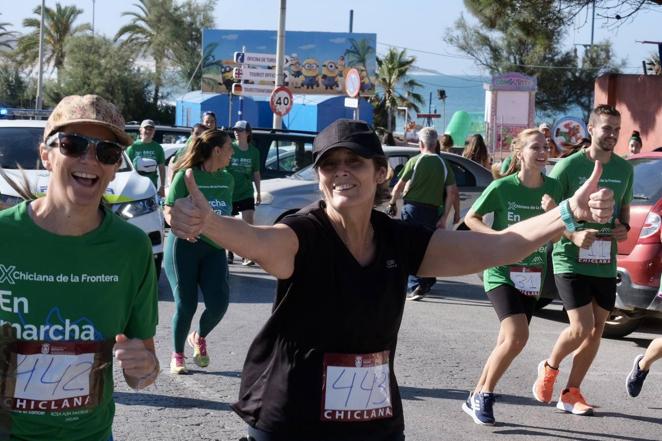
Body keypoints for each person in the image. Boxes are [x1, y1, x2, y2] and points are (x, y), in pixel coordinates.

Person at [168, 118, 614, 441]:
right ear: (320, 178)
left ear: (380, 173)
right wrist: (210, 224)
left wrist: (567, 213)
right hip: (291, 418)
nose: (342, 171)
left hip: (372, 417)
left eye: (355, 162)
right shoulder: (303, 232)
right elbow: (258, 240)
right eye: (330, 164)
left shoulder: (399, 240)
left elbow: (499, 246)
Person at [0, 94, 159, 440]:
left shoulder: (131, 248)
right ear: (46, 154)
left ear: (116, 165)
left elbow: (143, 369)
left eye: (106, 152)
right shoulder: (4, 236)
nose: (90, 160)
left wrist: (144, 368)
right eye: (73, 144)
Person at [532, 104, 633, 416]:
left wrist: (622, 228)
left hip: (604, 260)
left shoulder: (624, 169)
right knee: (581, 327)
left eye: (616, 129)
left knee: (596, 329)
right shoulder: (568, 167)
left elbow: (624, 215)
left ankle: (571, 392)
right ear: (591, 129)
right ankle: (549, 368)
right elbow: (548, 213)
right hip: (570, 259)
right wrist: (573, 233)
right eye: (606, 128)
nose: (612, 135)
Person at [462, 128, 562, 425]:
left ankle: (475, 394)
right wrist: (498, 238)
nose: (543, 152)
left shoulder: (555, 188)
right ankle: (485, 395)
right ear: (520, 153)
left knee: (509, 340)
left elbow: (564, 228)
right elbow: (471, 218)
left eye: (546, 147)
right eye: (536, 147)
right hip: (501, 271)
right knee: (518, 336)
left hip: (532, 274)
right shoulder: (503, 187)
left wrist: (555, 212)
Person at [163, 129, 234, 374]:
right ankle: (177, 354)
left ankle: (199, 337)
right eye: (229, 148)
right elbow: (168, 210)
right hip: (184, 246)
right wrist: (178, 224)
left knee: (219, 304)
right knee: (186, 304)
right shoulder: (186, 176)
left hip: (214, 249)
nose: (232, 153)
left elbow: (225, 216)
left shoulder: (228, 179)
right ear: (217, 150)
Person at [388, 127, 459, 301]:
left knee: (409, 246)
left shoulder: (415, 161)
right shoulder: (444, 164)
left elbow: (398, 186)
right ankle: (427, 279)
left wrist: (392, 203)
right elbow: (452, 192)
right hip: (432, 211)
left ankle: (415, 285)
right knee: (428, 246)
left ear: (420, 143)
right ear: (435, 144)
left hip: (412, 209)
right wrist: (447, 216)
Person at [228, 120, 261, 265]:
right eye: (235, 130)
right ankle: (229, 252)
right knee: (230, 224)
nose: (236, 132)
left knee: (248, 225)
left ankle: (247, 255)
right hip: (230, 192)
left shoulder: (254, 152)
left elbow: (256, 173)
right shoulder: (229, 148)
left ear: (247, 133)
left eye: (240, 130)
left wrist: (258, 192)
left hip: (246, 192)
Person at [126, 119, 166, 197]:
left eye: (151, 129)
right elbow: (127, 168)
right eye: (146, 128)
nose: (148, 131)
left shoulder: (158, 148)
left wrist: (162, 186)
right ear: (140, 130)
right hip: (134, 185)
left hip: (151, 185)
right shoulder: (132, 147)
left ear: (154, 132)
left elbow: (162, 168)